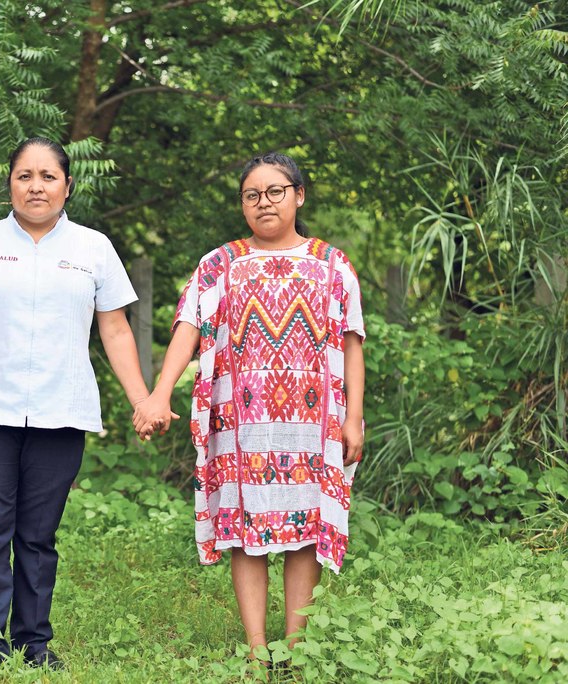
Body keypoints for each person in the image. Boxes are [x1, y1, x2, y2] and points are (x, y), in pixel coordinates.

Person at [0, 137, 150, 669]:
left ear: (68, 185)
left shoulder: (93, 248)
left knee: (39, 536)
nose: (36, 186)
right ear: (10, 184)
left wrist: (142, 400)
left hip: (61, 409)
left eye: (48, 176)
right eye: (25, 176)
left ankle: (33, 643)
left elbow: (115, 330)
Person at [133, 152, 365, 665]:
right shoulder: (220, 264)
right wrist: (159, 393)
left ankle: (296, 650)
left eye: (275, 191)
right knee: (244, 532)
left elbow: (352, 343)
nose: (264, 203)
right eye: (252, 195)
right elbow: (188, 328)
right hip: (240, 424)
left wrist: (353, 418)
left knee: (306, 532)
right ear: (242, 204)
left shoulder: (333, 264)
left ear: (299, 195)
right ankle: (258, 651)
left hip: (313, 423)